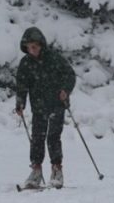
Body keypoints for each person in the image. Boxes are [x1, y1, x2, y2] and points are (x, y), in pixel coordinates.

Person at [15, 27, 76, 189]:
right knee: (37, 138)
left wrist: (65, 90)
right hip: (38, 106)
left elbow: (70, 75)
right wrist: (20, 102)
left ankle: (57, 170)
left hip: (56, 104)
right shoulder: (26, 63)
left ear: (41, 45)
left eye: (34, 46)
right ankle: (36, 170)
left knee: (53, 137)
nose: (32, 50)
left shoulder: (54, 58)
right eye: (29, 47)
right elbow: (21, 85)